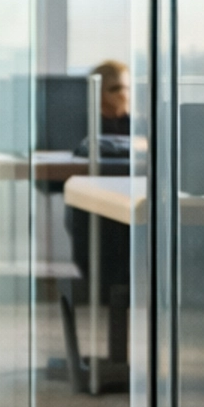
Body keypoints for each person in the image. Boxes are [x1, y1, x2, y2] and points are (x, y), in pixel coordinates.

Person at [62, 58, 131, 385]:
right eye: (116, 88)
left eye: (127, 88)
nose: (124, 95)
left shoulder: (142, 127)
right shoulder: (80, 128)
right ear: (98, 93)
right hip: (98, 236)